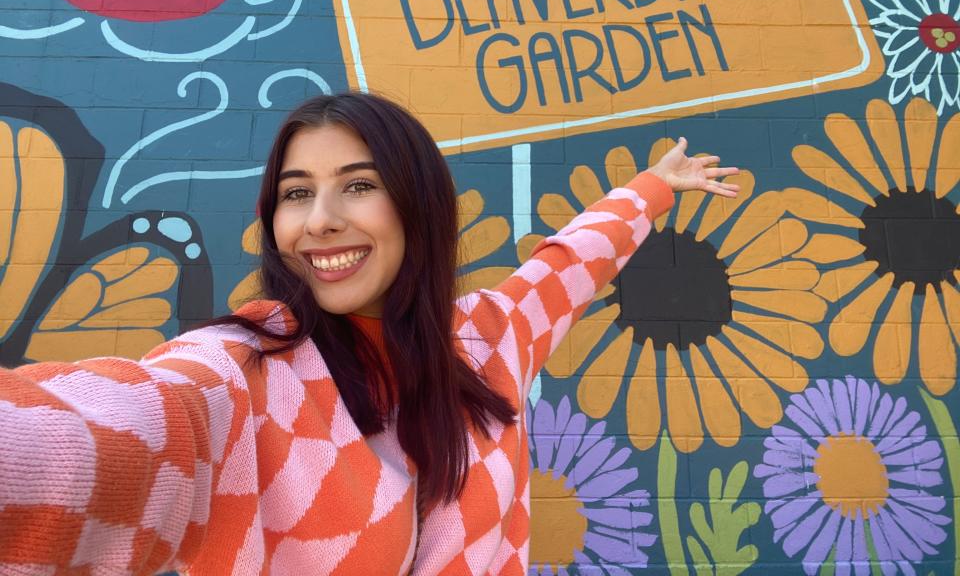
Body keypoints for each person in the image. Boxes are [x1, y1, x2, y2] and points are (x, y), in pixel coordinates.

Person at [0, 92, 739, 575]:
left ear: (416, 204)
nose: (319, 218)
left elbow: (571, 260)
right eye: (296, 194)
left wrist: (654, 188)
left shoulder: (492, 333)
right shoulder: (246, 368)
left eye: (358, 184)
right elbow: (120, 426)